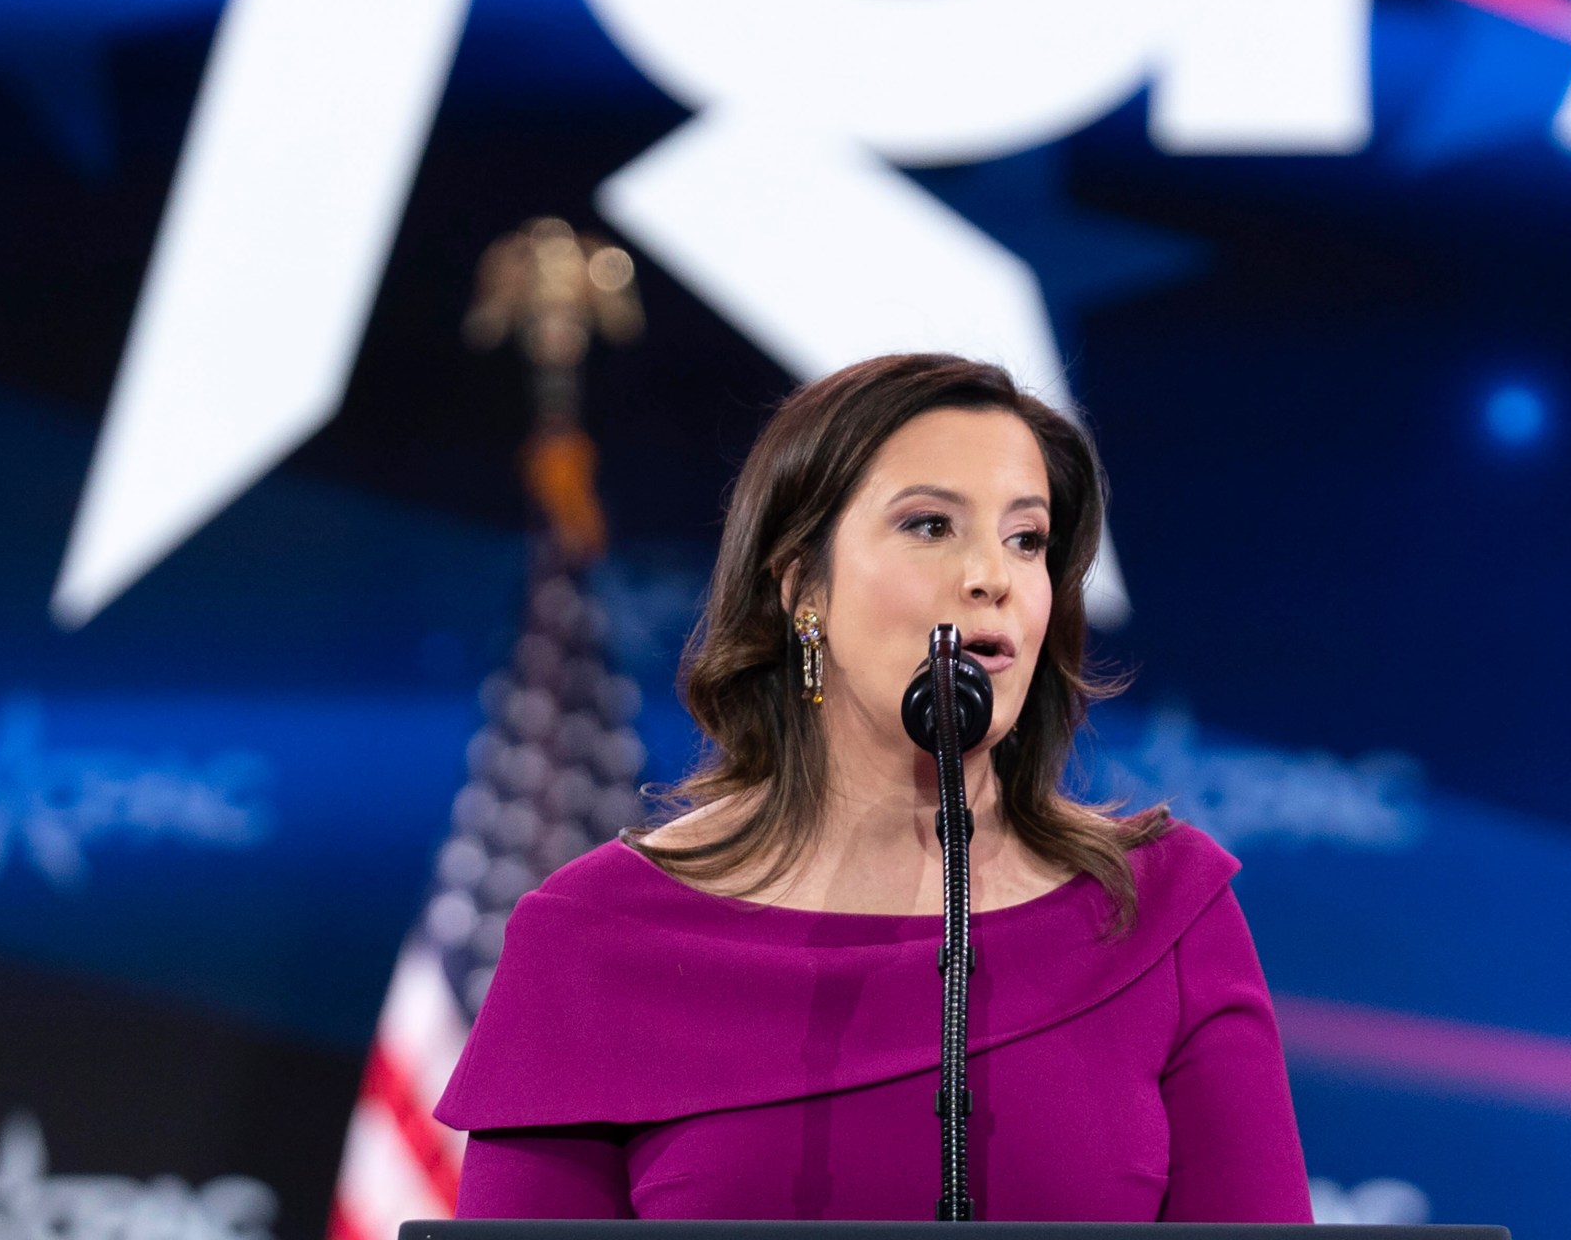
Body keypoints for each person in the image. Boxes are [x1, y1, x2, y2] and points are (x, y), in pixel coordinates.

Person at [435, 353, 1310, 1221]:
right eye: (931, 526)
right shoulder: (597, 935)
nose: (992, 578)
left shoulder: (1160, 913)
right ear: (801, 588)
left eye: (1027, 539)